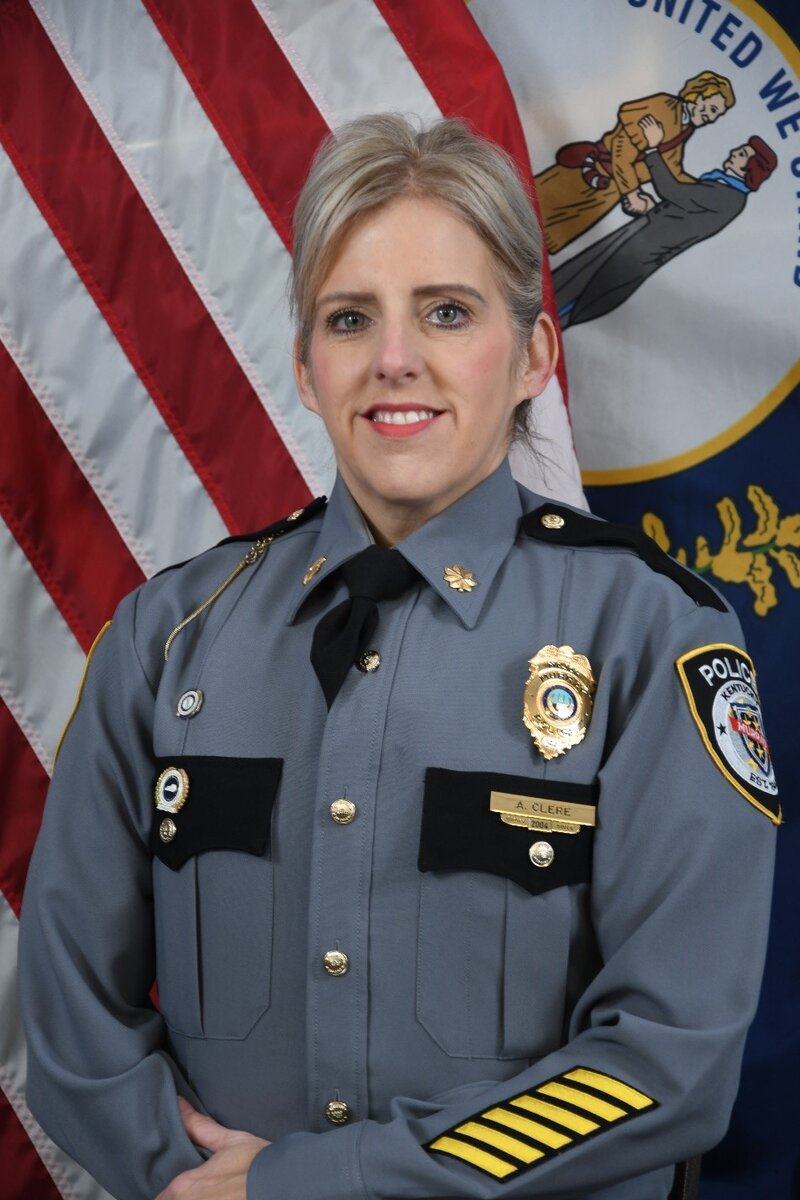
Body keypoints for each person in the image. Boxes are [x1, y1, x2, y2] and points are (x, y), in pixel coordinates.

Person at [19, 114, 778, 1200]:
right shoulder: (166, 638)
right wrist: (193, 1186)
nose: (392, 361)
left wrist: (308, 1186)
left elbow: (669, 1063)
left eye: (447, 312)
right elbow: (69, 1022)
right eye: (348, 318)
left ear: (529, 356)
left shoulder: (653, 638)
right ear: (304, 361)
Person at [554, 117, 778, 328]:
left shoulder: (728, 196)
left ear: (749, 168)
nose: (734, 152)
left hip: (638, 252)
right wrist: (650, 209)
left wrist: (653, 149)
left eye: (742, 154)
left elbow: (674, 192)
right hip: (639, 236)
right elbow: (685, 214)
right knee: (576, 275)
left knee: (579, 292)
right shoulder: (725, 187)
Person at [535, 70, 735, 255]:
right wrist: (632, 193)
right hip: (587, 177)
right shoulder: (662, 107)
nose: (712, 117)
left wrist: (702, 191)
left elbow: (672, 170)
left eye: (718, 114)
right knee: (521, 214)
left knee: (538, 246)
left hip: (608, 193)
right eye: (712, 108)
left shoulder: (684, 128)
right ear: (698, 96)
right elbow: (623, 151)